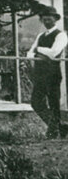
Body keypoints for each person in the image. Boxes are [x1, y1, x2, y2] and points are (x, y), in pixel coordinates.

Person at [27, 7, 67, 139]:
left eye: (49, 18)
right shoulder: (40, 36)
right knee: (36, 102)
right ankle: (59, 126)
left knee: (54, 102)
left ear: (55, 19)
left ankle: (53, 131)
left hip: (52, 74)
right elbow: (29, 54)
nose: (47, 21)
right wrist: (40, 52)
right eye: (44, 19)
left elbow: (54, 52)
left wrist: (38, 49)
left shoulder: (61, 35)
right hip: (40, 74)